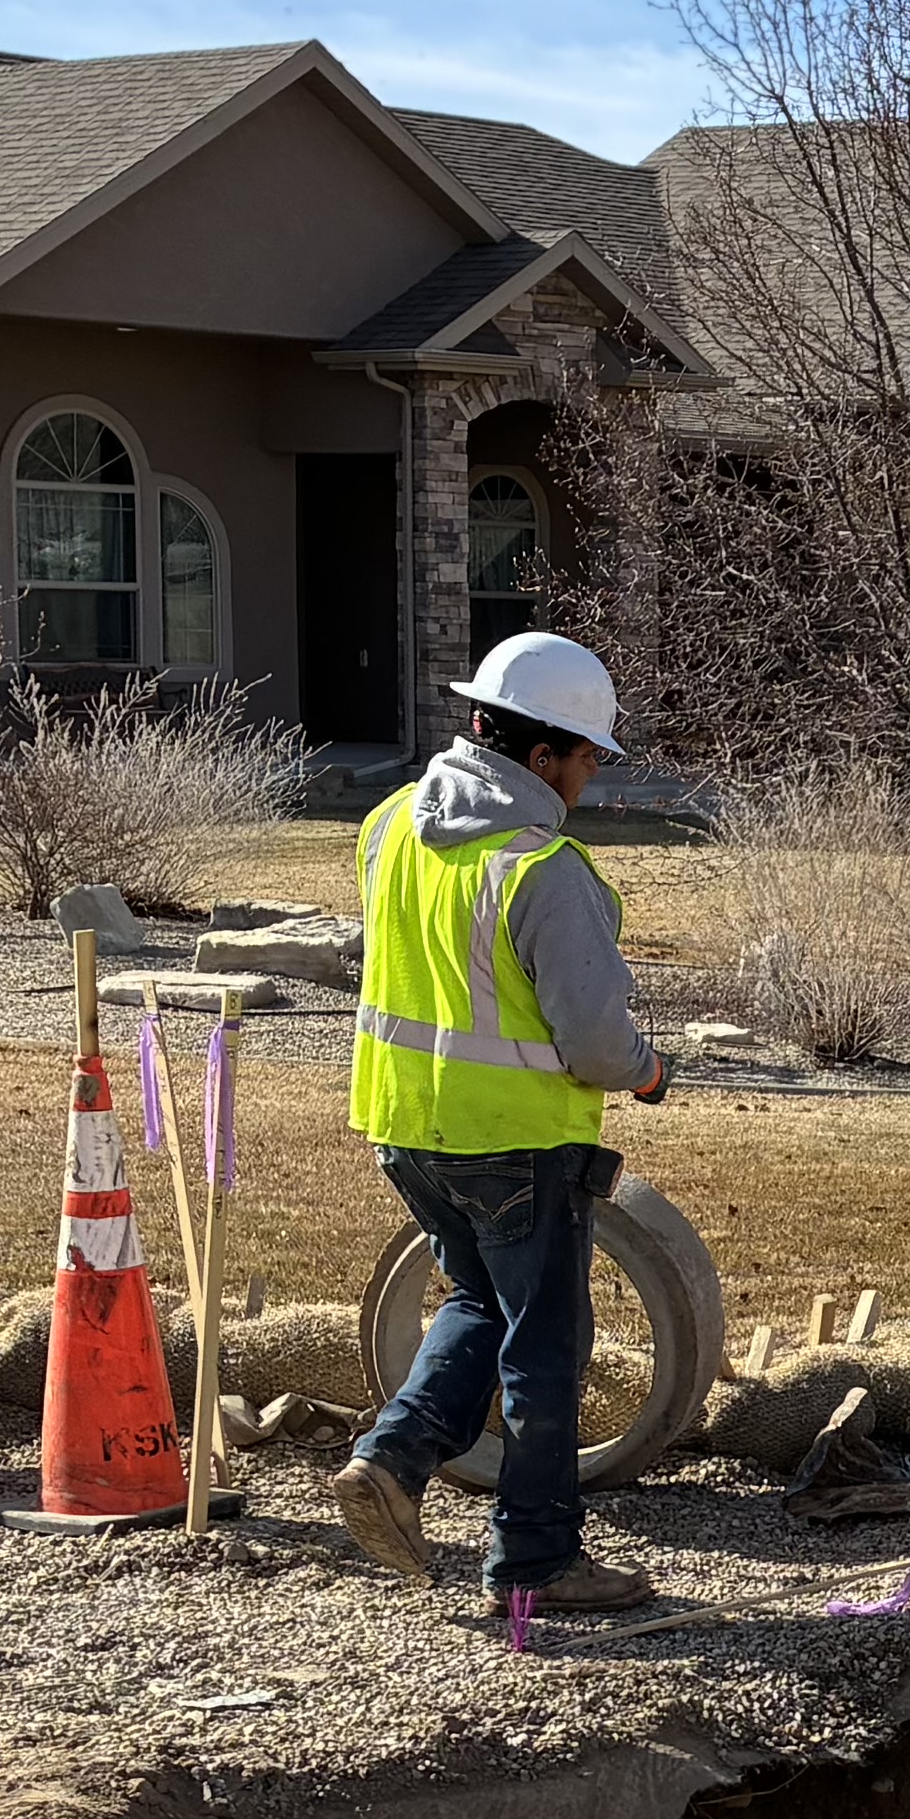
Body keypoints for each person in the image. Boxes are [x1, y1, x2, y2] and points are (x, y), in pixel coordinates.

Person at [333, 632, 673, 1612]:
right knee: (545, 1347)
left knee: (480, 1305)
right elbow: (598, 1043)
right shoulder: (543, 867)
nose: (591, 780)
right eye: (586, 760)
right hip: (518, 1140)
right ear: (540, 758)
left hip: (406, 1128)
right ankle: (536, 1559)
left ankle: (392, 1462)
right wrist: (649, 1072)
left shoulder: (392, 823)